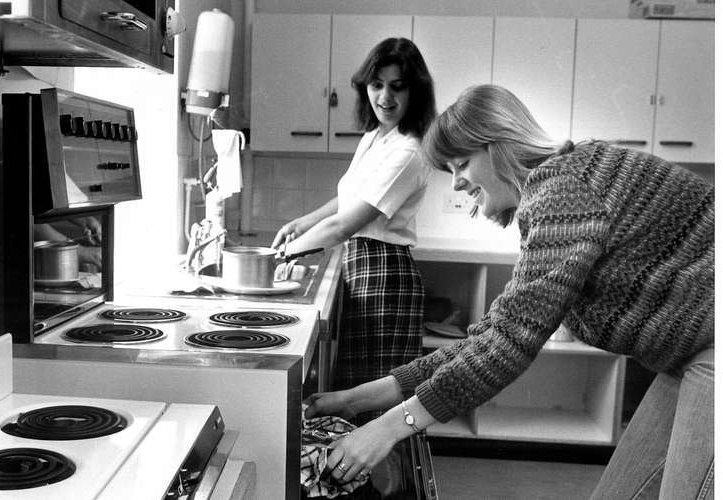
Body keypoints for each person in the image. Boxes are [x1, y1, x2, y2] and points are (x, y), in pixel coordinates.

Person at [304, 84, 714, 499]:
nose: (458, 183)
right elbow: (494, 333)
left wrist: (388, 428)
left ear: (498, 146)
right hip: (687, 359)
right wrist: (358, 400)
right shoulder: (559, 185)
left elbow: (510, 343)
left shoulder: (563, 192)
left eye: (462, 163)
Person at [271, 37, 437, 423]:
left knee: (377, 403)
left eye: (397, 87)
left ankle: (388, 485)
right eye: (377, 85)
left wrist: (284, 253)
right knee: (361, 395)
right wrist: (302, 223)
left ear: (416, 91)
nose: (385, 97)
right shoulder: (375, 138)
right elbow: (347, 200)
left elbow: (346, 223)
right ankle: (366, 484)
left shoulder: (408, 151)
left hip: (385, 277)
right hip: (363, 270)